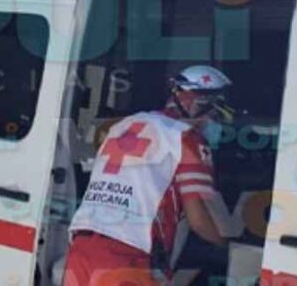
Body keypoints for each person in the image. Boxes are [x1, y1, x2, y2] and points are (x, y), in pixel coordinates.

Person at [64, 65, 234, 285]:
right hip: (127, 256)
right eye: (216, 115)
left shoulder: (125, 125)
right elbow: (199, 220)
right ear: (199, 107)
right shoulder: (186, 138)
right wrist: (228, 243)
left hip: (82, 247)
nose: (216, 124)